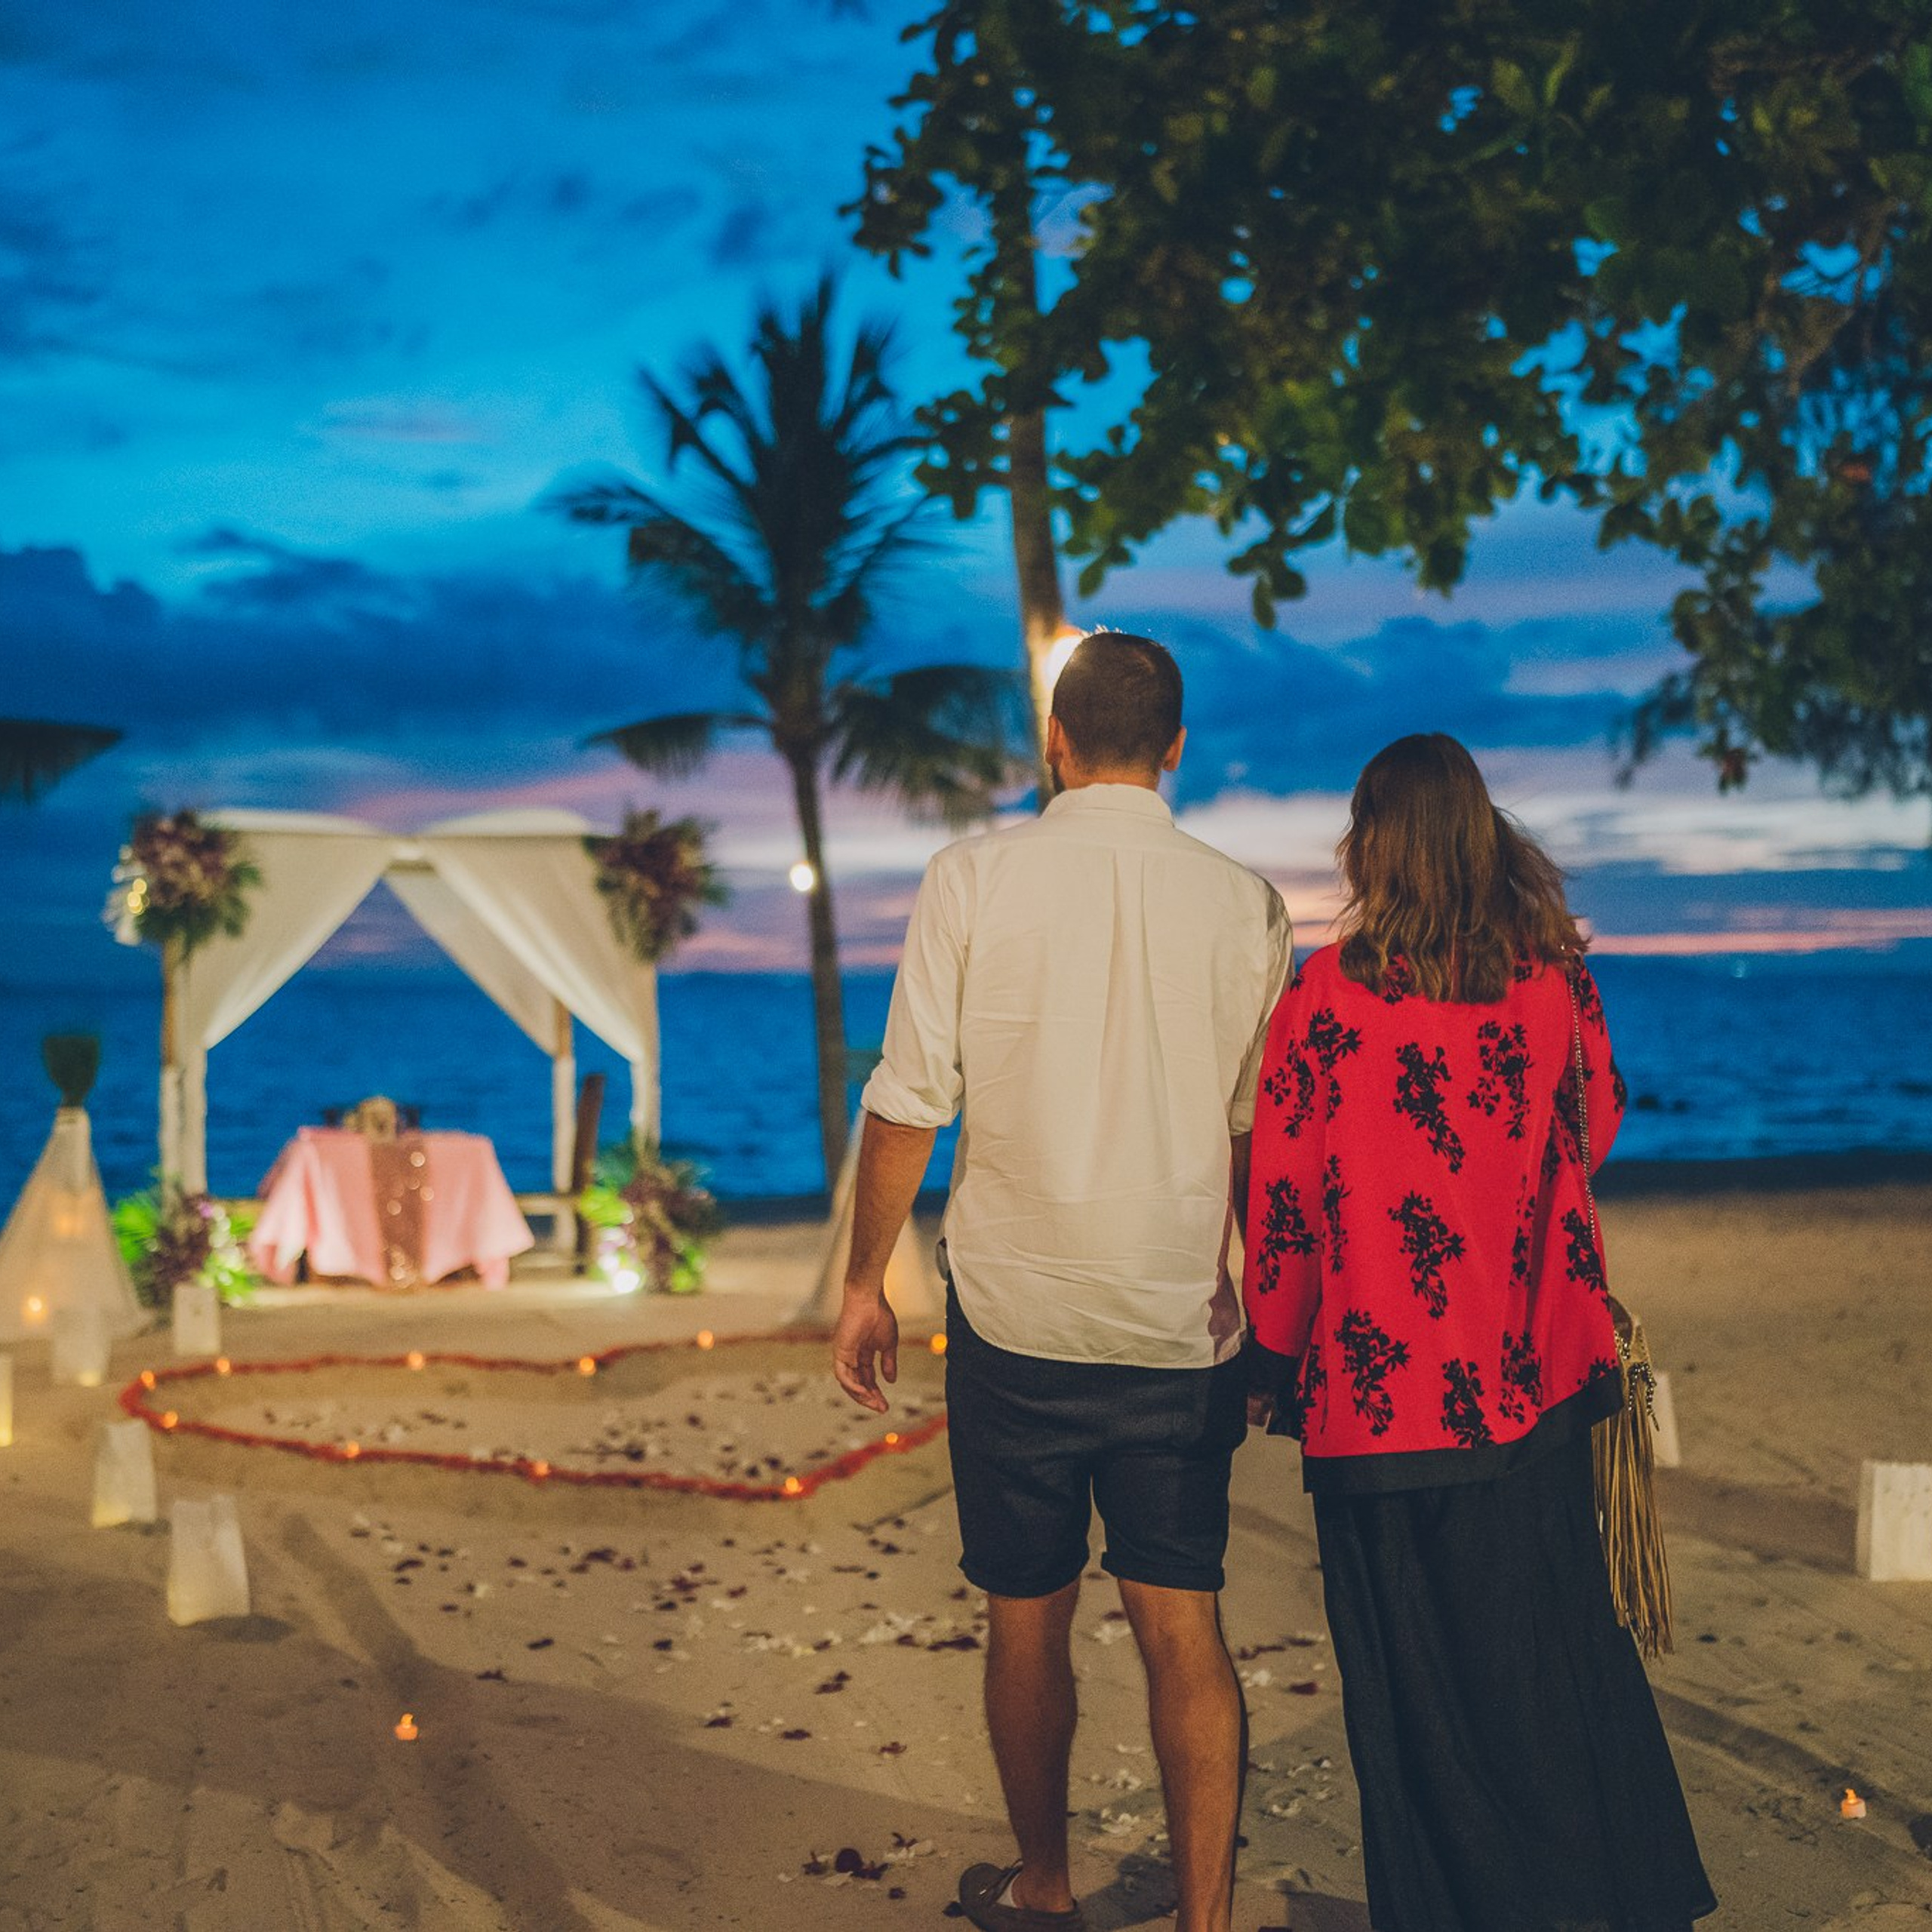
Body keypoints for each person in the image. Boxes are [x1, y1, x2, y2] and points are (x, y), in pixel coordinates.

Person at [832, 630, 1292, 1932]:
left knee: (1025, 1613)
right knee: (1182, 1619)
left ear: (1057, 742)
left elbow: (909, 1102)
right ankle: (1206, 1920)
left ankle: (1045, 1882)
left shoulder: (970, 878)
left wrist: (868, 1281)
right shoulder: (1245, 903)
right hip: (1178, 1321)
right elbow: (1261, 1133)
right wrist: (1269, 1317)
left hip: (1018, 1316)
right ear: (1177, 749)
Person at [1244, 732, 1715, 1932]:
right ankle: (1608, 1899)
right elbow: (1595, 1127)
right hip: (1536, 1376)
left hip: (1376, 1403)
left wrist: (1271, 1355)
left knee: (1417, 1692)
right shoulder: (1553, 978)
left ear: (1371, 846)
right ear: (1479, 834)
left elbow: (1284, 1199)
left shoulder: (1324, 992)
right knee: (1557, 1654)